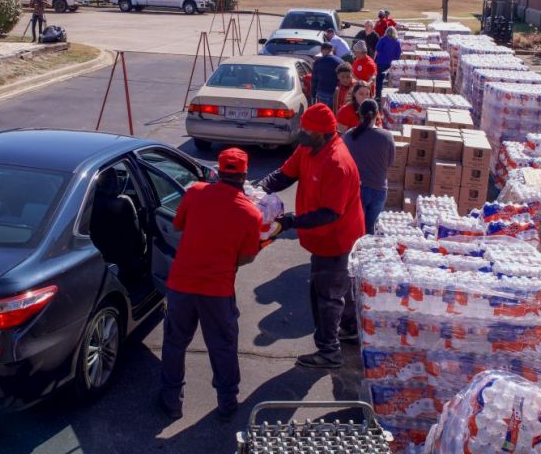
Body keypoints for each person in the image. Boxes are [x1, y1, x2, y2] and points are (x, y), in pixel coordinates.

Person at [256, 104, 365, 368]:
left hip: (337, 239)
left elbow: (329, 214)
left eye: (306, 130)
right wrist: (258, 189)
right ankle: (350, 330)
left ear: (323, 133)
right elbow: (284, 175)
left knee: (326, 295)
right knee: (340, 289)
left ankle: (329, 352)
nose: (301, 133)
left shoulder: (337, 163)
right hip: (321, 239)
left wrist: (290, 221)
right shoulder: (308, 148)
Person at [160, 148, 262, 421]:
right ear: (245, 175)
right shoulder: (251, 214)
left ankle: (171, 402)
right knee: (223, 345)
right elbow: (248, 257)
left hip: (181, 283)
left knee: (174, 341)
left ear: (218, 172)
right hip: (217, 290)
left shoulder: (194, 193)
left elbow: (177, 226)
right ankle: (227, 403)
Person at [342, 99, 395, 234]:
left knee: (354, 229)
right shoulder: (387, 136)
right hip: (379, 188)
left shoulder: (349, 136)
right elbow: (390, 162)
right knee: (371, 230)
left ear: (359, 114)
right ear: (377, 114)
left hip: (355, 189)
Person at [374, 26, 402, 99]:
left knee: (379, 79)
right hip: (392, 64)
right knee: (391, 80)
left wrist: (374, 60)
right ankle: (389, 96)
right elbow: (398, 54)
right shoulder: (397, 41)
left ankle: (378, 96)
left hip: (381, 62)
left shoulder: (383, 39)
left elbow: (377, 49)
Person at [311, 42, 342, 108]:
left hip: (321, 92)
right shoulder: (339, 61)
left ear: (322, 50)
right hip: (336, 93)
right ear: (332, 49)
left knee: (322, 113)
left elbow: (314, 80)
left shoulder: (317, 62)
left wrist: (313, 94)